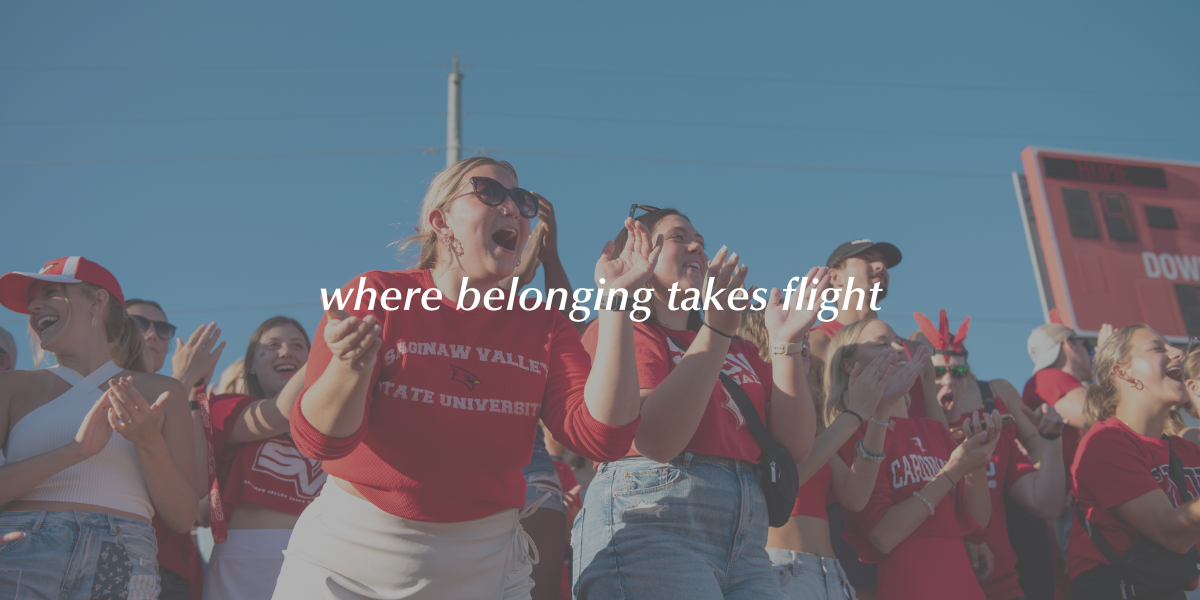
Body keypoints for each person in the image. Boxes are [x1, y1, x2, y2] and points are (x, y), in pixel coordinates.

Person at [273, 157, 655, 600]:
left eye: (522, 200)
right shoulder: (377, 293)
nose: (513, 208)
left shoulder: (544, 323)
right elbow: (319, 442)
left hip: (485, 570)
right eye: (490, 193)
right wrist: (349, 371)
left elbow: (602, 438)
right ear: (441, 221)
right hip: (349, 564)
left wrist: (618, 305)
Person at [574, 205, 825, 599]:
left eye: (701, 243)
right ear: (639, 255)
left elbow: (795, 446)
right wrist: (716, 330)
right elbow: (657, 440)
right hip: (655, 520)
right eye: (678, 237)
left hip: (747, 541)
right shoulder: (624, 330)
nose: (697, 247)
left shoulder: (737, 346)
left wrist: (787, 345)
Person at [0, 256, 199, 599]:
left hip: (122, 554)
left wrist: (147, 441)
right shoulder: (11, 386)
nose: (34, 306)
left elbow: (183, 517)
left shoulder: (163, 391)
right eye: (32, 299)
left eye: (49, 292)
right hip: (23, 549)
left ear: (97, 299)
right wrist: (73, 452)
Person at [829, 318, 1003, 600]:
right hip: (903, 586)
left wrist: (976, 463)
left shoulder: (933, 429)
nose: (898, 348)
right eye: (882, 344)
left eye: (898, 341)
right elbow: (882, 536)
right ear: (849, 365)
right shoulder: (849, 436)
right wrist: (950, 472)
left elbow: (978, 526)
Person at [808, 239, 939, 600]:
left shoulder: (909, 352)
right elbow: (814, 426)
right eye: (867, 260)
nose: (880, 267)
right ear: (835, 277)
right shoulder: (818, 341)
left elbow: (933, 426)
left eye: (884, 264)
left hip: (913, 495)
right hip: (853, 499)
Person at [765, 320, 928, 600]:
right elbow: (786, 480)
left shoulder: (814, 428)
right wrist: (855, 414)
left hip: (831, 574)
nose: (805, 344)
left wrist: (880, 410)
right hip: (779, 570)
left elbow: (855, 496)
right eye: (796, 340)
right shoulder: (760, 406)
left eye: (804, 339)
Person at [915, 310, 1067, 600]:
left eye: (957, 372)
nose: (948, 381)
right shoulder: (910, 437)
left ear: (968, 374)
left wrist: (1051, 441)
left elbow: (1046, 503)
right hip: (934, 584)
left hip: (1000, 584)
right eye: (937, 372)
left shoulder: (993, 436)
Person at [1067, 325, 1200, 598]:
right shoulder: (1103, 442)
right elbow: (1171, 532)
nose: (1178, 353)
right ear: (1123, 372)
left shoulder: (1187, 450)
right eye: (1158, 348)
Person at [203, 316, 318, 600]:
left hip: (322, 558)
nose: (285, 352)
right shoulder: (223, 406)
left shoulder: (334, 422)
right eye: (272, 345)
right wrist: (326, 354)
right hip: (244, 564)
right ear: (251, 365)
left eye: (297, 345)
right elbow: (279, 414)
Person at [126, 298, 225, 600]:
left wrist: (191, 390)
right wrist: (179, 381)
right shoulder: (102, 389)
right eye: (139, 324)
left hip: (172, 565)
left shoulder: (181, 393)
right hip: (117, 556)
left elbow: (194, 495)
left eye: (163, 328)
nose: (153, 334)